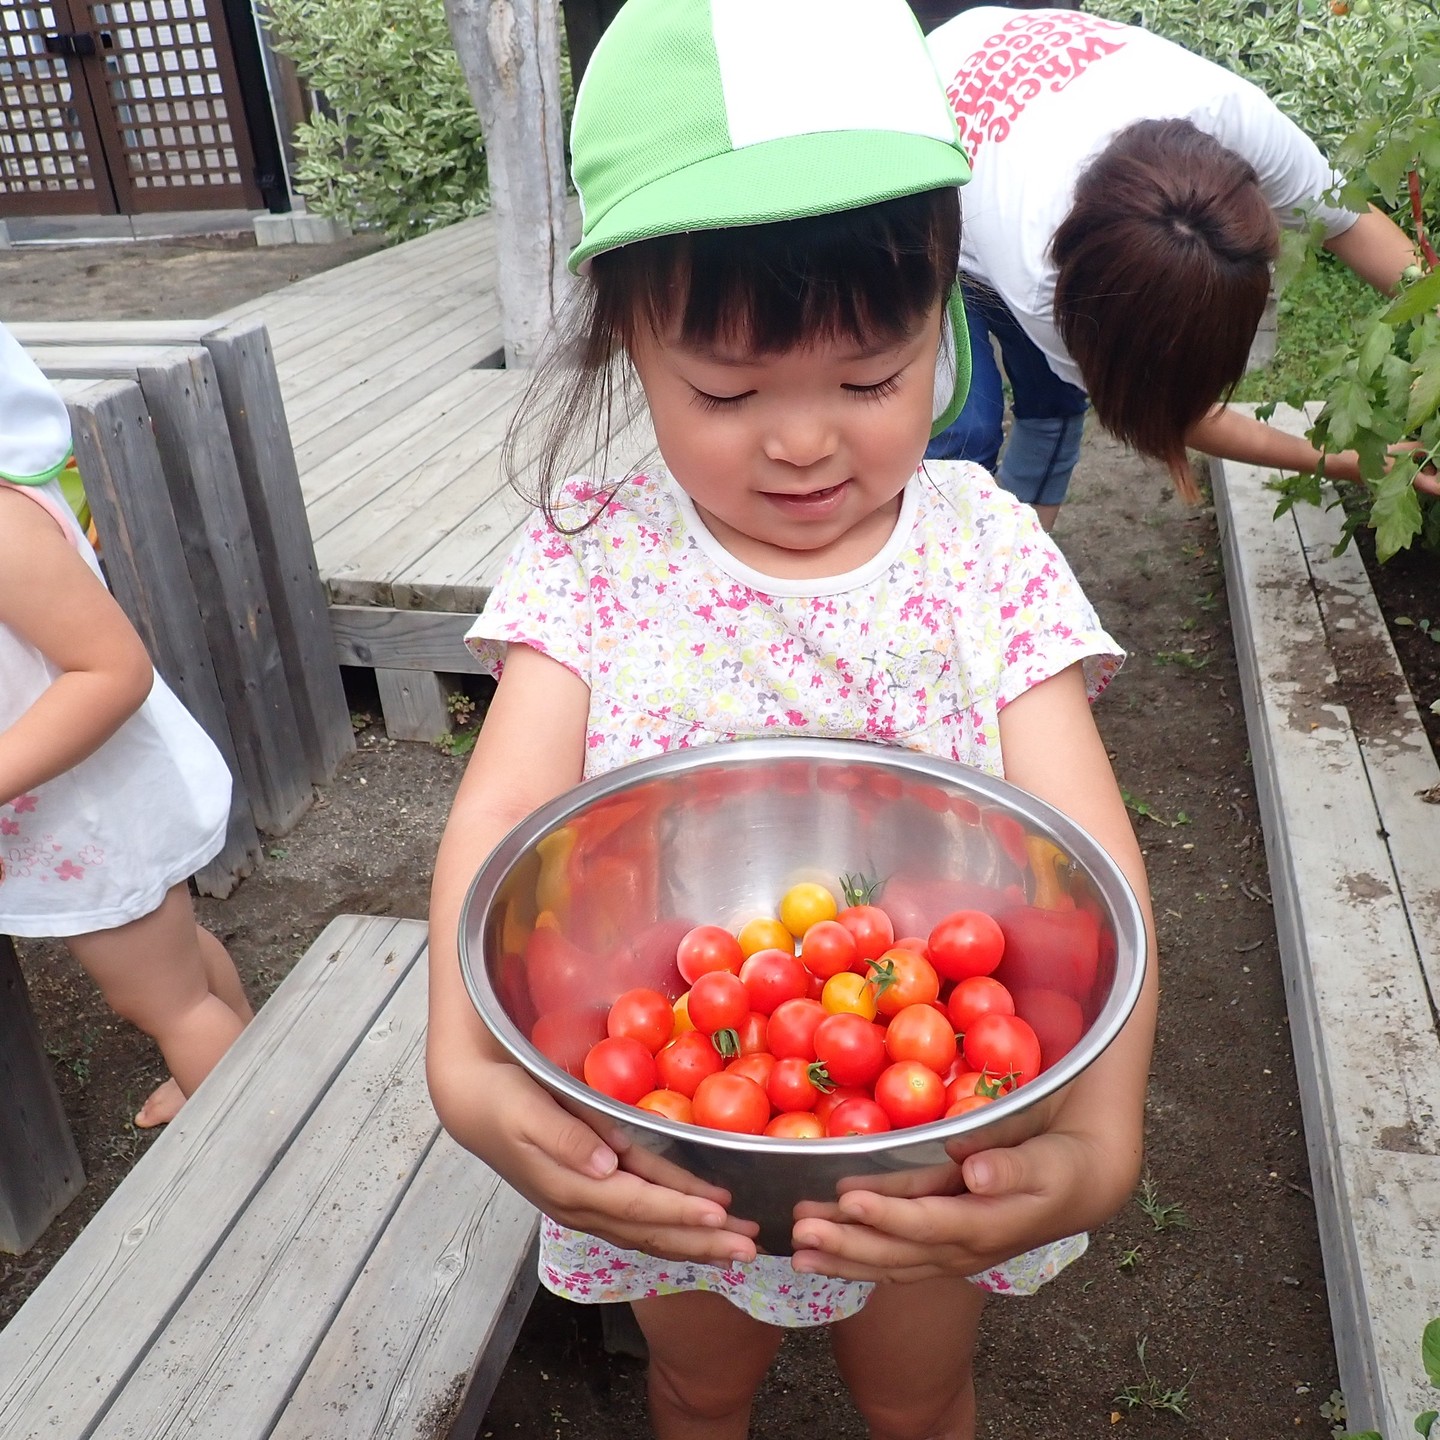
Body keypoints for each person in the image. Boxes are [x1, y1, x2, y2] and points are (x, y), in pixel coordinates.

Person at [426, 2, 1158, 1437]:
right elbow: (504, 818)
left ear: (947, 304)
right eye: (729, 388)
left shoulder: (985, 551)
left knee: (921, 1390)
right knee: (698, 1381)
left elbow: (1093, 866)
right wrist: (462, 1066)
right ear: (628, 338)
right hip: (672, 1147)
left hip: (930, 1145)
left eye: (874, 377)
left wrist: (1102, 1145)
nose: (808, 438)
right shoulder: (592, 553)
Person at [924, 4, 1436, 529]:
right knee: (959, 433)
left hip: (1001, 60)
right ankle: (948, 579)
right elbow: (1166, 410)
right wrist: (1344, 462)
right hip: (929, 150)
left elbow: (1348, 222)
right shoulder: (1041, 282)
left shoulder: (1231, 116)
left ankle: (1025, 575)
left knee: (1053, 406)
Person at [0, 322, 251, 1129]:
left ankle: (254, 1136)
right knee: (177, 958)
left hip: (91, 815)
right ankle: (241, 1053)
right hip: (89, 809)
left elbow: (112, 671)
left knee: (162, 1000)